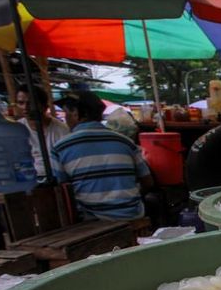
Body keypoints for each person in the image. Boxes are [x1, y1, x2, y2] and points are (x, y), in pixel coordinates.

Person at [50, 91, 153, 221]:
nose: (66, 118)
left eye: (66, 113)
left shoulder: (61, 147)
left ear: (76, 113)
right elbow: (148, 182)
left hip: (92, 221)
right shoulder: (125, 142)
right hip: (133, 215)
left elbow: (62, 191)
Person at [16, 86, 69, 177]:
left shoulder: (61, 130)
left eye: (31, 103)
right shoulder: (16, 130)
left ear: (44, 106)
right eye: (21, 103)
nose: (25, 107)